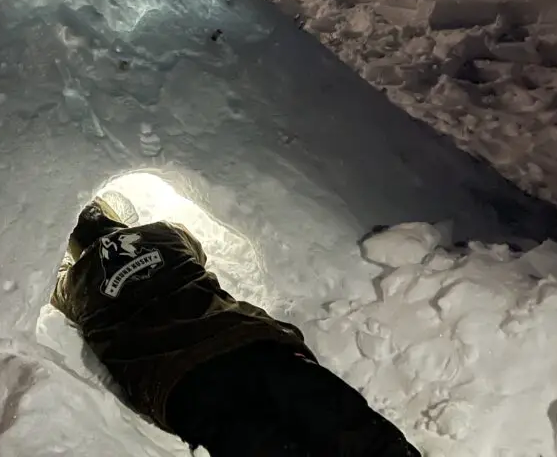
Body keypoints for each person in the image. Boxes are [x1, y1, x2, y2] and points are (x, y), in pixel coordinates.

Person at [51, 195, 420, 456]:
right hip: (246, 341)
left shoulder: (74, 284)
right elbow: (192, 245)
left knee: (257, 443)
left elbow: (49, 286)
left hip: (179, 380)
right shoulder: (163, 233)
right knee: (343, 423)